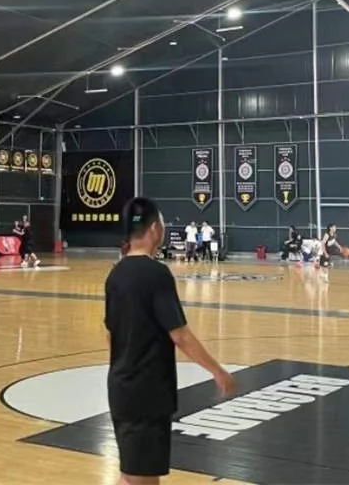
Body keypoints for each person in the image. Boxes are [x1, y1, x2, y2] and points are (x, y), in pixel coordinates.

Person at [104, 196, 235, 484]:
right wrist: (218, 371)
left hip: (121, 388)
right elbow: (180, 334)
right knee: (140, 479)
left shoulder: (115, 275)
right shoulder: (156, 274)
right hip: (147, 393)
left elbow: (110, 333)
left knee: (135, 476)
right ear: (154, 229)